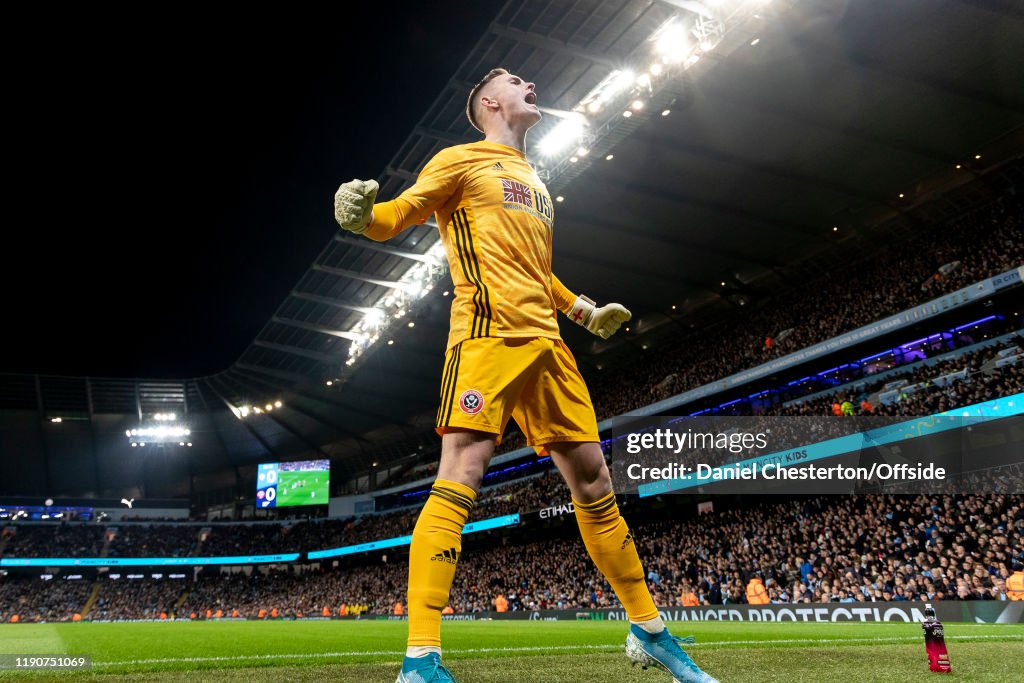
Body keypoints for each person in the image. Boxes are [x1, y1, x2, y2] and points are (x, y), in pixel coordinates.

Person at [334, 67, 716, 683]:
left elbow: (536, 267)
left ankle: (650, 631)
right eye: (515, 81)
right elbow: (400, 213)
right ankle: (420, 659)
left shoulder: (536, 179)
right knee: (461, 471)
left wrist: (583, 311)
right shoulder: (460, 160)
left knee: (595, 483)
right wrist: (363, 219)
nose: (528, 84)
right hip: (488, 335)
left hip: (549, 345)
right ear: (490, 102)